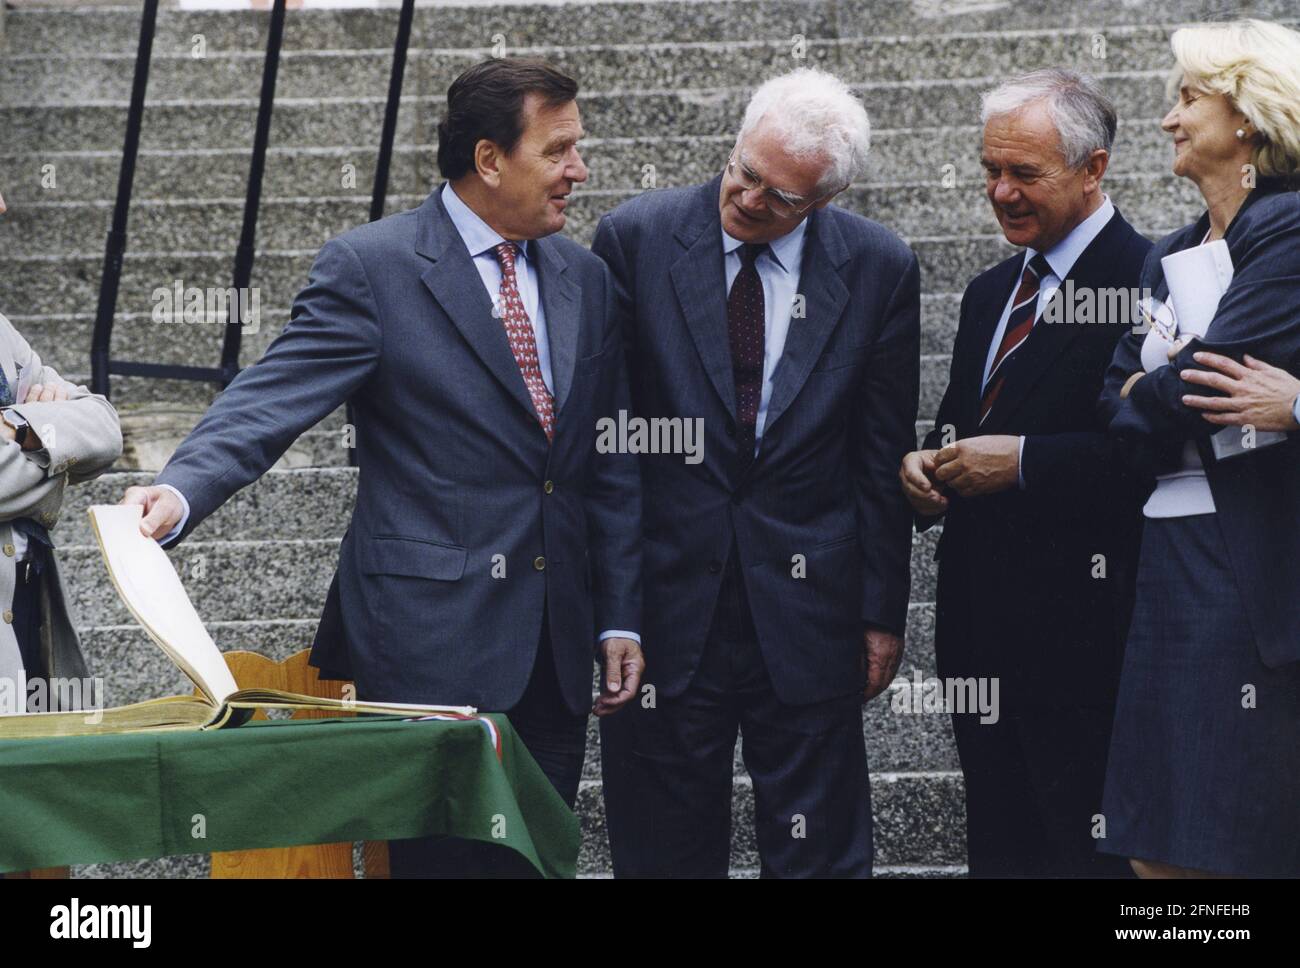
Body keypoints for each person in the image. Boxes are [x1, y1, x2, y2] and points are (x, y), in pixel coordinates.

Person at [118, 59, 644, 875]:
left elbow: (602, 466)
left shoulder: (587, 279)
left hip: (554, 648)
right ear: (489, 159)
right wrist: (180, 492)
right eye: (560, 150)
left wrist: (618, 615)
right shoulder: (375, 268)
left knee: (538, 864)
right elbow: (271, 398)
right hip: (428, 648)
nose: (580, 169)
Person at [593, 68, 920, 877]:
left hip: (810, 607)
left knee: (822, 855)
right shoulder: (634, 238)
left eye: (779, 196)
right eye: (743, 170)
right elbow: (610, 445)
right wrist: (615, 611)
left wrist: (881, 612)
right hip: (666, 607)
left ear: (822, 200)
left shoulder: (879, 267)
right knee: (663, 851)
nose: (746, 197)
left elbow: (879, 455)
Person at [899, 69, 1152, 877]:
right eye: (989, 171)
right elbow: (962, 423)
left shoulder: (1152, 280)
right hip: (983, 639)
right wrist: (922, 463)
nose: (1001, 192)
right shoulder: (988, 292)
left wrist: (1027, 465)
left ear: (1094, 169)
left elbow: (1157, 451)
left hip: (1093, 642)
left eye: (1025, 174)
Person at [1099, 19, 1300, 878]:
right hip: (1169, 557)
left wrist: (1159, 389)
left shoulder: (1288, 228)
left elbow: (1199, 382)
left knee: (1225, 838)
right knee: (1155, 845)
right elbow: (1115, 406)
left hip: (1239, 568)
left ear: (1247, 119)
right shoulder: (1171, 252)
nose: (1168, 120)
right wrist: (1158, 393)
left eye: (1187, 99)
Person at [0, 188, 124, 715]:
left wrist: (20, 427)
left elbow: (103, 428)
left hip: (29, 605)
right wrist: (55, 446)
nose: (5, 204)